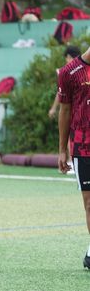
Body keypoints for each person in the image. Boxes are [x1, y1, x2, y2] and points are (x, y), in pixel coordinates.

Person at [56, 46, 90, 268]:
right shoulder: (69, 71)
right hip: (83, 146)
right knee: (89, 203)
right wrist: (62, 149)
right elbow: (65, 110)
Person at [49, 45, 81, 119]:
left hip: (72, 113)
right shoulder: (85, 70)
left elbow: (60, 93)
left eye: (67, 58)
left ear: (68, 57)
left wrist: (53, 108)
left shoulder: (65, 73)